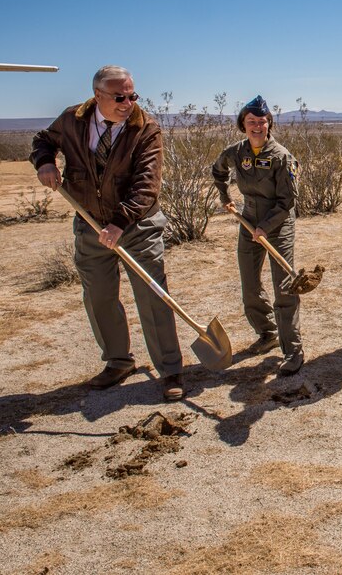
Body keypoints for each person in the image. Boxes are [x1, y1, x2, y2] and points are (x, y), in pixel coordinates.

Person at [31, 65, 184, 401]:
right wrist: (44, 162)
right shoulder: (73, 120)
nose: (128, 102)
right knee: (98, 295)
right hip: (90, 223)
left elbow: (147, 184)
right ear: (97, 95)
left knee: (153, 295)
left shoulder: (146, 128)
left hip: (137, 225)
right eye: (119, 97)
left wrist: (120, 222)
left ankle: (170, 369)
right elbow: (44, 139)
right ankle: (118, 361)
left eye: (132, 95)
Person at [211, 95, 303, 375]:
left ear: (269, 124)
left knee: (284, 286)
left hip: (278, 222)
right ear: (243, 124)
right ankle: (267, 333)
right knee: (250, 283)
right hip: (248, 219)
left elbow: (288, 200)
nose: (257, 126)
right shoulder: (236, 152)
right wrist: (225, 196)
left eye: (262, 122)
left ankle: (293, 350)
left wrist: (267, 226)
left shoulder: (281, 157)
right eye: (251, 122)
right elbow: (218, 170)